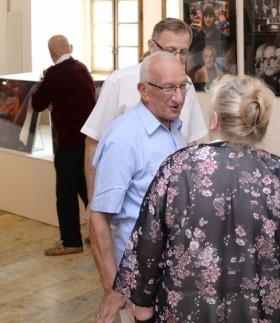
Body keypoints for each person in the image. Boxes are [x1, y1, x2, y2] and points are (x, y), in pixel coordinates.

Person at [112, 75, 280, 323]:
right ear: (259, 124)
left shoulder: (177, 169)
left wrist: (144, 321)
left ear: (214, 120)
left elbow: (146, 251)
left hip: (186, 319)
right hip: (260, 321)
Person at [88, 52, 190, 323]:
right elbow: (98, 216)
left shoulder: (173, 127)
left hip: (170, 272)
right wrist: (112, 286)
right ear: (143, 91)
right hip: (138, 276)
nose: (178, 97)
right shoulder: (124, 138)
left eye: (182, 86)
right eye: (168, 88)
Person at [81, 18, 207, 217]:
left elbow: (190, 141)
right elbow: (93, 140)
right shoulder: (120, 81)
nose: (177, 57)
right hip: (129, 206)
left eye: (183, 52)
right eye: (170, 50)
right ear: (151, 46)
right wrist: (92, 200)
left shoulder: (186, 84)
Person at [31, 35, 96, 256]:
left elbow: (37, 102)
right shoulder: (82, 67)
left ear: (51, 53)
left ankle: (71, 241)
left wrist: (51, 98)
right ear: (69, 48)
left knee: (65, 193)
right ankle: (99, 233)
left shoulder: (55, 73)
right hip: (87, 140)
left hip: (68, 141)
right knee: (85, 188)